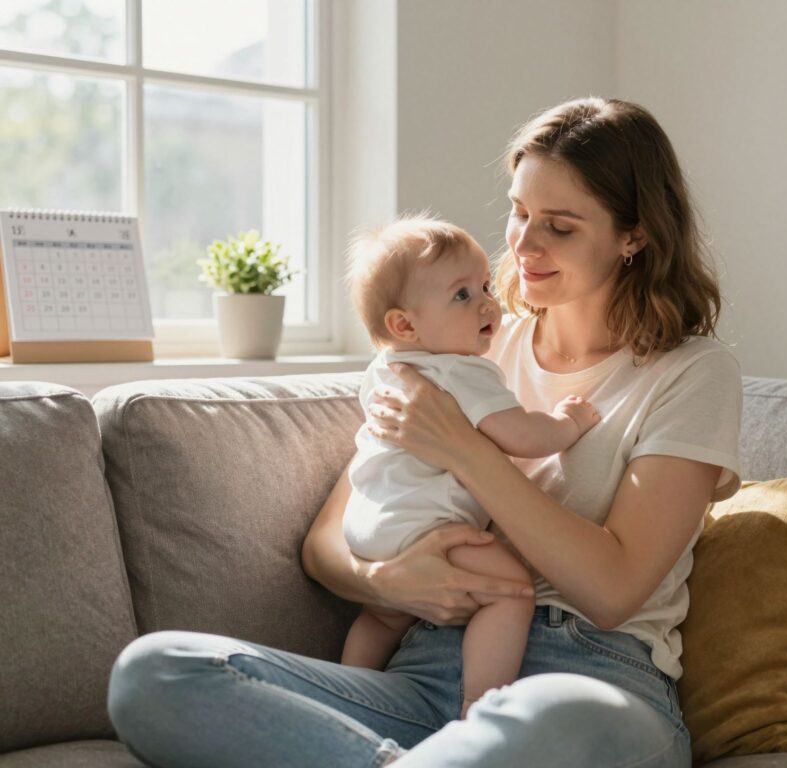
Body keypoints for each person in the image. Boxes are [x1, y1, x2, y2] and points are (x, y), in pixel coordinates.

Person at [106, 96, 742, 768]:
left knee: (563, 717)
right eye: (519, 212)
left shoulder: (692, 373)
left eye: (558, 226)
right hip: (423, 678)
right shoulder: (460, 340)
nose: (522, 245)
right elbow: (327, 542)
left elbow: (613, 592)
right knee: (158, 670)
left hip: (587, 680)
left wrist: (465, 450)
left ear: (634, 235)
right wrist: (385, 581)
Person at [341, 215, 600, 718]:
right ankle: (480, 711)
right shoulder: (462, 370)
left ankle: (351, 696)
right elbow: (521, 437)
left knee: (380, 618)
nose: (487, 302)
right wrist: (568, 425)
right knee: (511, 593)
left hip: (368, 528)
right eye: (461, 295)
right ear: (404, 324)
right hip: (425, 527)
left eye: (484, 285)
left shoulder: (385, 369)